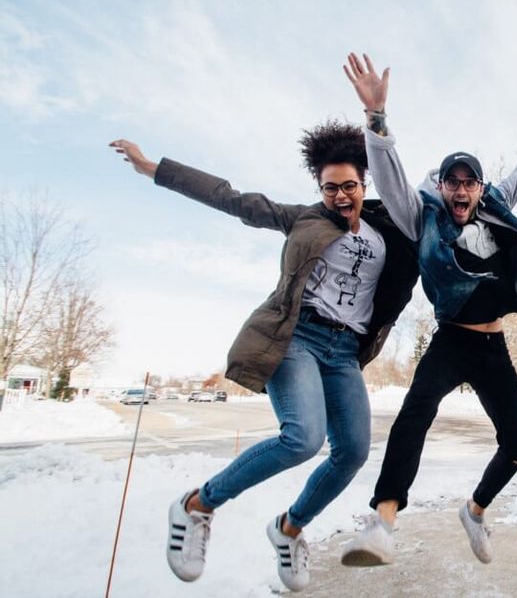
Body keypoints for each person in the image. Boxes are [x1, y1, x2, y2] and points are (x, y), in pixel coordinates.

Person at [108, 122, 418, 591]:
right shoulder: (303, 218)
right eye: (329, 187)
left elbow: (425, 218)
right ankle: (197, 505)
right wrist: (157, 169)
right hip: (295, 338)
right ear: (320, 189)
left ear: (364, 185)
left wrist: (378, 121)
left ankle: (289, 529)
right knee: (302, 438)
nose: (339, 196)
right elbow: (230, 198)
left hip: (344, 353)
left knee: (352, 451)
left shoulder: (387, 230)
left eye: (348, 186)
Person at [339, 53, 517, 566]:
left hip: (493, 343)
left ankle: (475, 510)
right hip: (452, 339)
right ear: (442, 188)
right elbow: (389, 181)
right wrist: (377, 122)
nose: (460, 190)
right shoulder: (424, 218)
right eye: (452, 182)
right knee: (414, 416)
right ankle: (383, 522)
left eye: (468, 182)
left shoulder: (496, 206)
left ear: (479, 188)